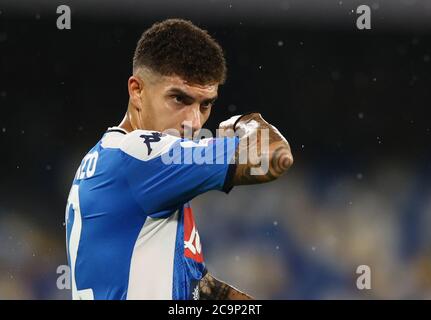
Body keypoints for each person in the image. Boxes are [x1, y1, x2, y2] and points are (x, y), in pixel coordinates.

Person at [65, 18, 293, 300]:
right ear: (137, 90)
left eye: (205, 104)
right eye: (179, 99)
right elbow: (275, 156)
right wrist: (247, 123)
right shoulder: (141, 154)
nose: (194, 123)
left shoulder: (105, 156)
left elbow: (198, 290)